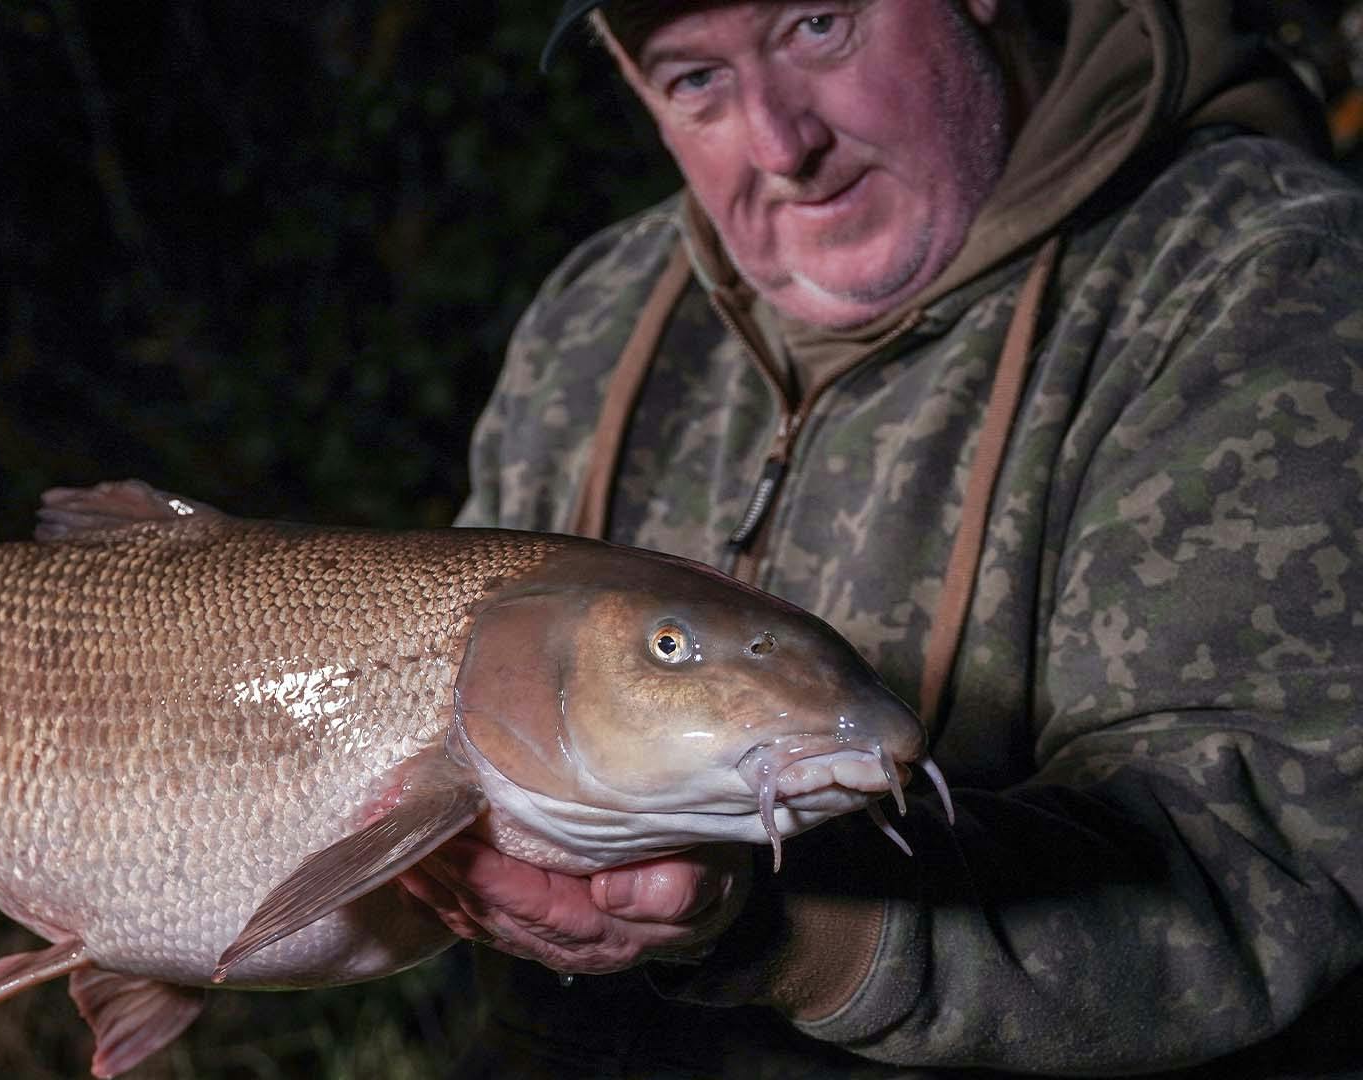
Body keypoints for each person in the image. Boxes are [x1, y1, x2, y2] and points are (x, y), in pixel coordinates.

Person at [397, 0, 1363, 1074]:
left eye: (819, 26)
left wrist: (782, 926)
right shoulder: (595, 315)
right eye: (693, 81)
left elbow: (1268, 876)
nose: (782, 145)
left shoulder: (1260, 280)